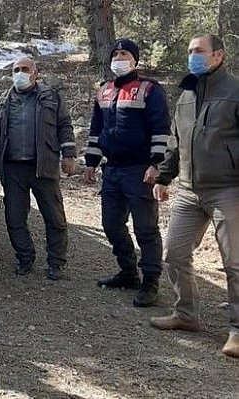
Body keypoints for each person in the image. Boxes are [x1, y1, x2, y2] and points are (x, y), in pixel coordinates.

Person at [149, 34, 239, 358]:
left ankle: (237, 331)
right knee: (174, 253)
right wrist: (163, 176)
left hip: (227, 188)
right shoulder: (186, 93)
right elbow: (176, 142)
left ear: (218, 55)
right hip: (188, 189)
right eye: (189, 51)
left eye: (198, 51)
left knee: (234, 262)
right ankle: (185, 315)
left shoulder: (235, 91)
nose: (192, 56)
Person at [83, 38, 170, 307]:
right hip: (112, 170)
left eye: (124, 54)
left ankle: (150, 281)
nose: (119, 58)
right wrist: (90, 162)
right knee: (111, 225)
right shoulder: (104, 90)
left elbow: (161, 129)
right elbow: (97, 129)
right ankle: (128, 272)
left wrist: (157, 165)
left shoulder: (149, 89)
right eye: (116, 54)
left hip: (140, 171)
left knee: (145, 228)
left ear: (135, 60)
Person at [0, 57, 77, 280]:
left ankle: (56, 263)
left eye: (25, 69)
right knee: (14, 217)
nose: (20, 73)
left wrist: (69, 155)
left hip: (43, 166)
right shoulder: (2, 101)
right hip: (12, 168)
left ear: (35, 73)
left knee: (54, 217)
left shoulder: (51, 97)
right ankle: (25, 258)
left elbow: (65, 125)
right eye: (16, 70)